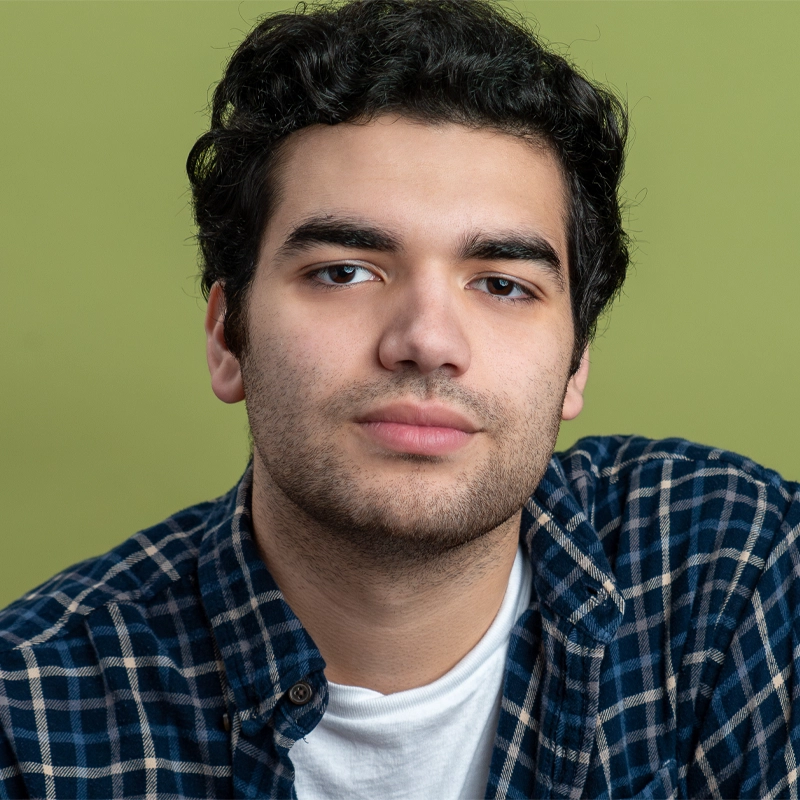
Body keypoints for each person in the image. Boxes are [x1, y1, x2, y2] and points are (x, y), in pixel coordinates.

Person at [1, 0, 798, 797]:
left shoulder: (738, 580)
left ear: (576, 364)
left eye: (501, 284)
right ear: (226, 337)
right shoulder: (29, 716)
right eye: (344, 271)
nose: (426, 340)